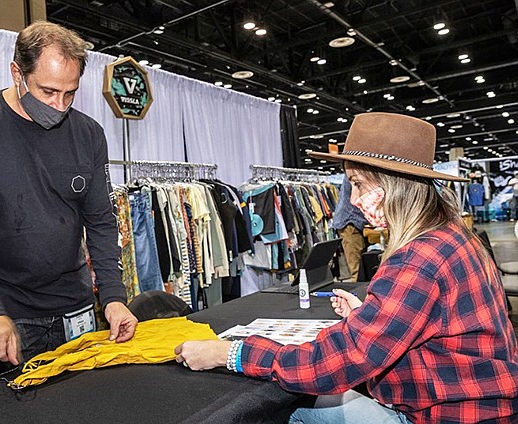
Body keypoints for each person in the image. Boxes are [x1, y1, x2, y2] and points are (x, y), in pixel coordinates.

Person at [174, 113, 518, 423]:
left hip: (449, 415)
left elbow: (335, 363)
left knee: (289, 412)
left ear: (392, 186)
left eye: (358, 184)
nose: (352, 200)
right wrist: (370, 317)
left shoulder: (418, 259)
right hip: (477, 404)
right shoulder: (453, 235)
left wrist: (230, 352)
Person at [0, 21, 137, 368]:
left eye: (70, 93)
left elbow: (101, 221)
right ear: (17, 73)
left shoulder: (89, 134)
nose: (59, 106)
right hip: (6, 318)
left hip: (78, 312)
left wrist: (114, 298)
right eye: (48, 91)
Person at [331, 177, 369, 281]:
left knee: (361, 266)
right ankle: (359, 294)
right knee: (356, 268)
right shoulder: (355, 175)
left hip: (351, 220)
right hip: (349, 221)